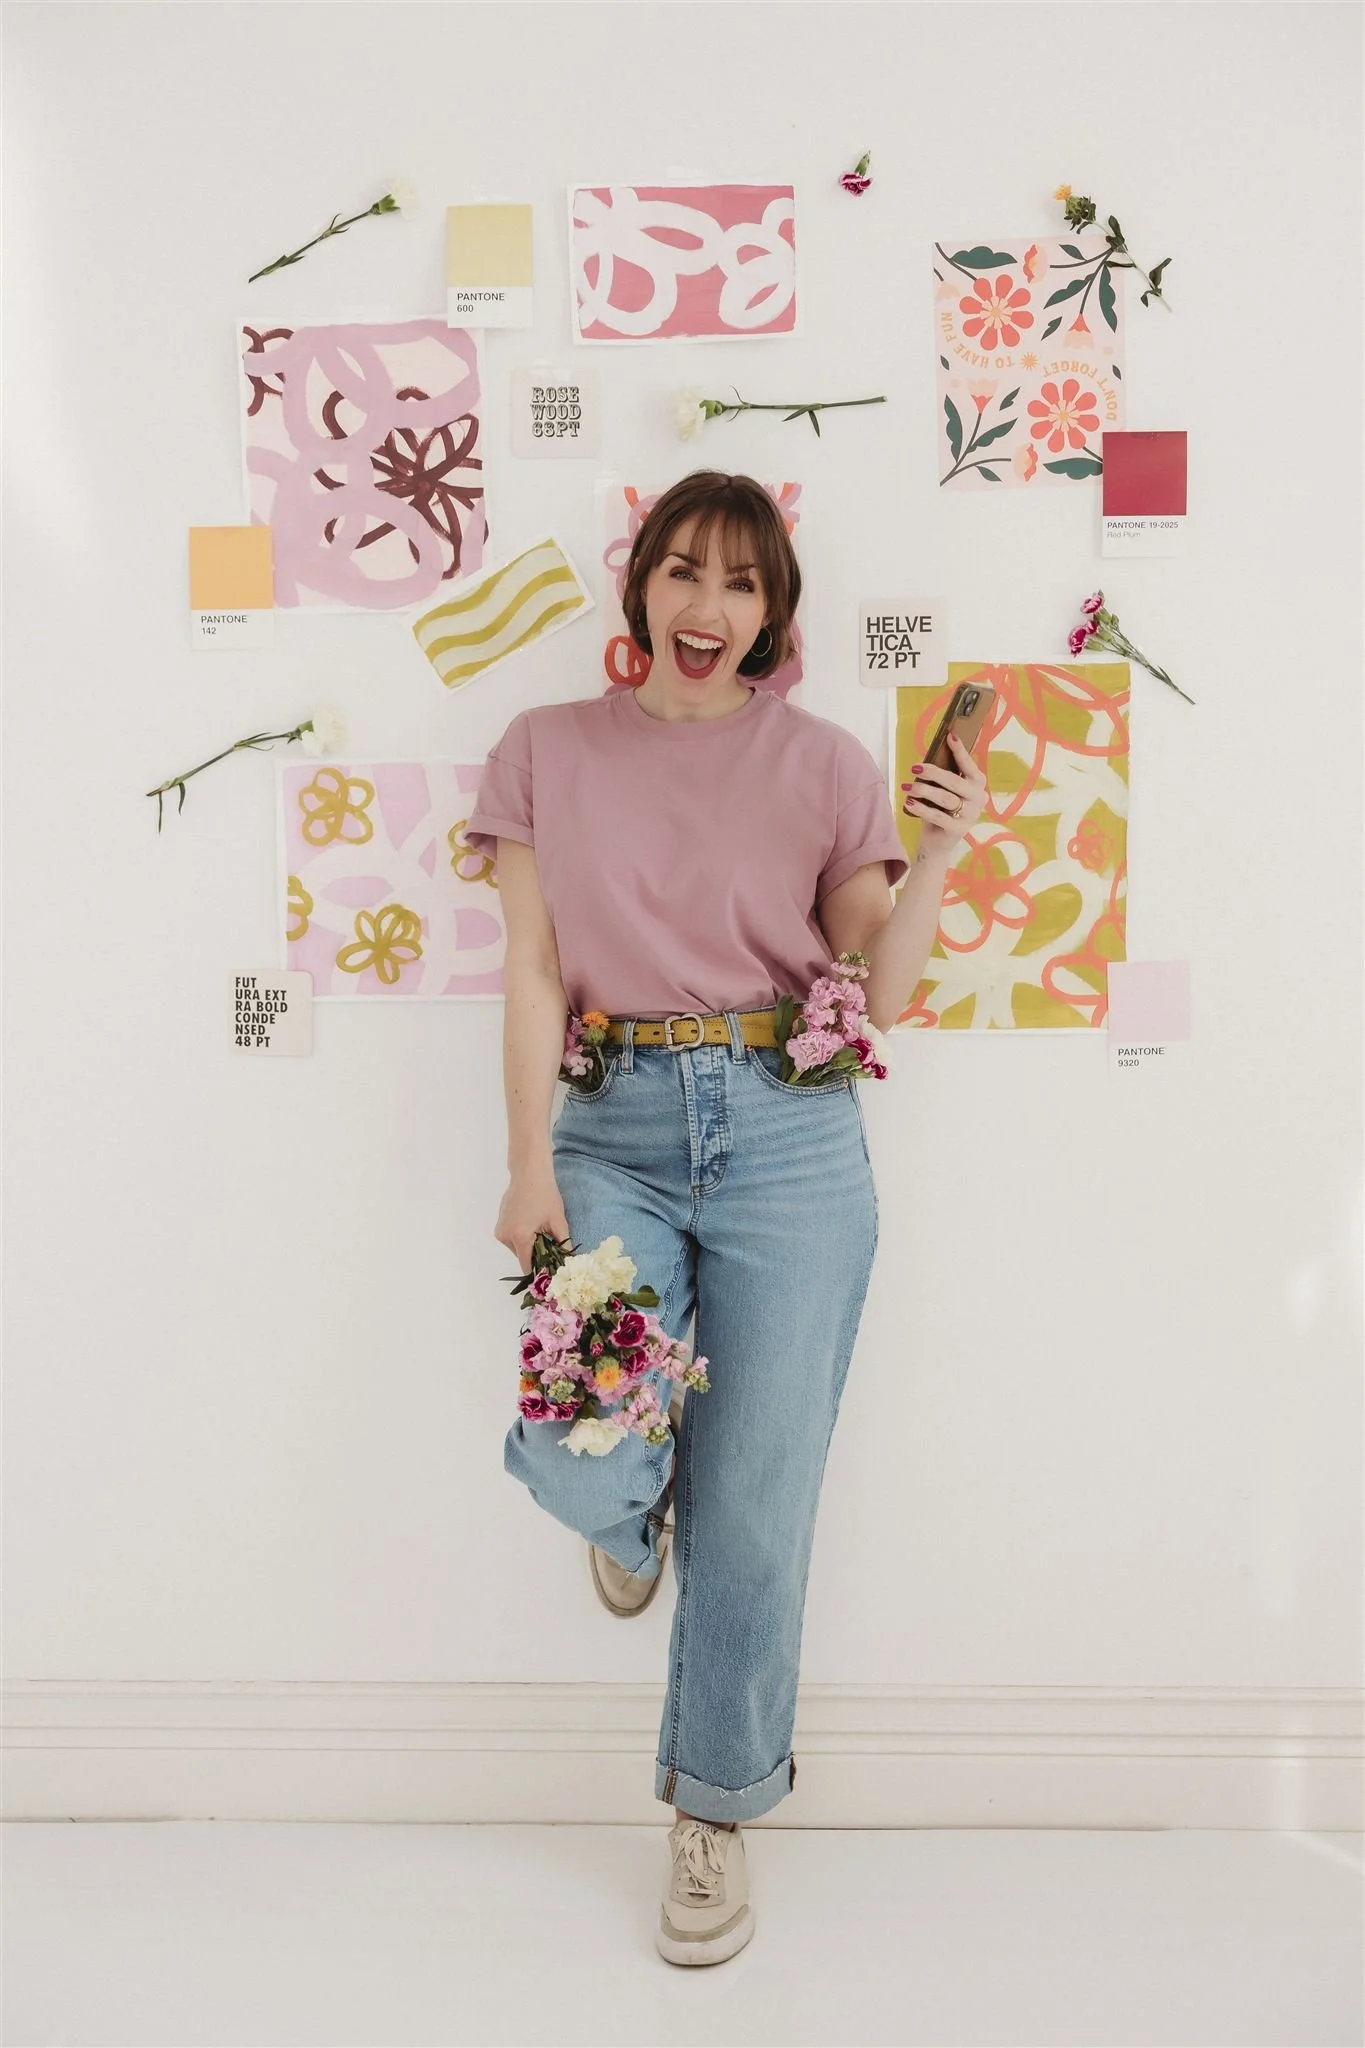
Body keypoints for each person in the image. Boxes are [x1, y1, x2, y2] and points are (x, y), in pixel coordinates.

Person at [462, 470, 985, 1967]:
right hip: (613, 1121)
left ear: (776, 614)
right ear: (641, 591)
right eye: (683, 573)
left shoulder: (824, 768)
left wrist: (935, 853)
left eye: (742, 584)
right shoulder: (544, 752)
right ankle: (632, 1508)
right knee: (582, 1440)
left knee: (757, 1508)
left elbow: (880, 996)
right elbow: (528, 975)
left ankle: (713, 1807)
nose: (708, 607)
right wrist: (526, 1165)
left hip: (790, 1141)